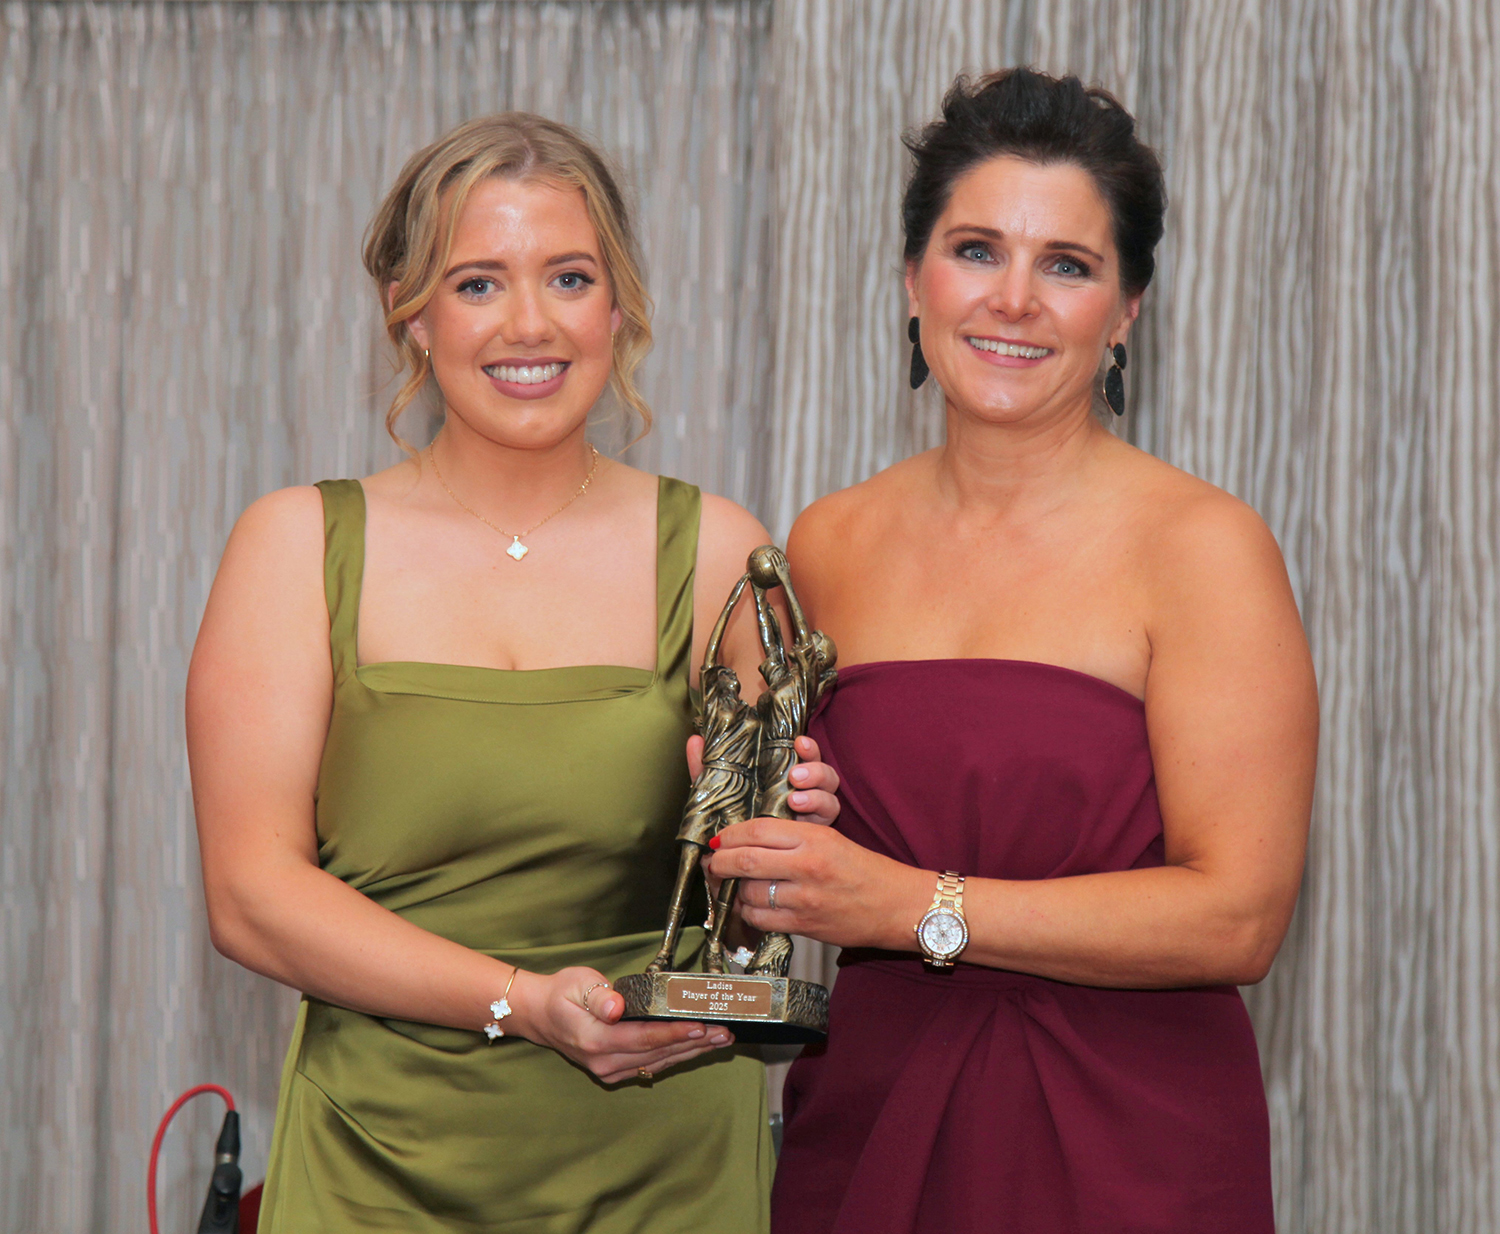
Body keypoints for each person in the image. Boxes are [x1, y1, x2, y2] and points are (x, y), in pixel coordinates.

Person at [186, 113, 842, 1233]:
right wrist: (524, 1003)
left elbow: (748, 937)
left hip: (666, 1170)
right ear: (411, 313)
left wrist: (775, 852)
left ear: (618, 307)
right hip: (377, 1167)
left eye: (569, 278)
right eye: (478, 283)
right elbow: (251, 897)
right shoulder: (295, 547)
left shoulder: (721, 551)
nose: (529, 323)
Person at [708, 68, 1318, 1233]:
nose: (1015, 300)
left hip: (1128, 1142)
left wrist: (912, 905)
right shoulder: (829, 541)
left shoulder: (1205, 548)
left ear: (1127, 308)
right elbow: (786, 889)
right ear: (913, 277)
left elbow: (1238, 917)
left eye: (1068, 265)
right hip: (869, 1119)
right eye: (977, 250)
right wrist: (752, 838)